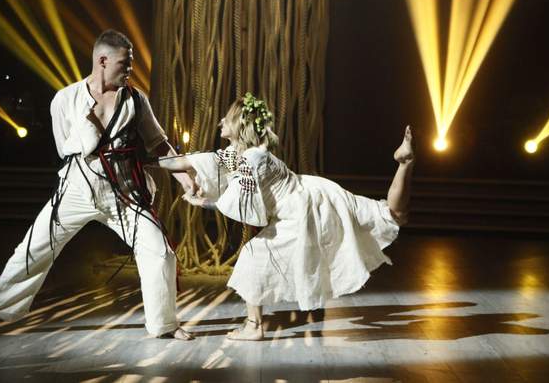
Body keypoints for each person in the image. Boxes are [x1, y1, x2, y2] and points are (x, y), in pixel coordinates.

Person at [0, 29, 194, 341]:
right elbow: (64, 148)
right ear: (103, 60)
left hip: (124, 194)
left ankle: (164, 325)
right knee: (33, 249)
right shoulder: (65, 99)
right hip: (76, 190)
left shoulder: (136, 100)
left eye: (130, 63)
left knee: (160, 252)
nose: (130, 69)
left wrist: (184, 176)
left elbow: (159, 143)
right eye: (124, 63)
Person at [153, 92, 414, 340]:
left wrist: (202, 202)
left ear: (239, 125)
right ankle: (405, 162)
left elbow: (239, 205)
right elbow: (188, 162)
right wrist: (146, 159)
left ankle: (254, 327)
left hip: (302, 212)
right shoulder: (241, 153)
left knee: (253, 255)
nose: (221, 121)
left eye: (227, 118)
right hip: (318, 193)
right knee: (393, 215)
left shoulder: (250, 159)